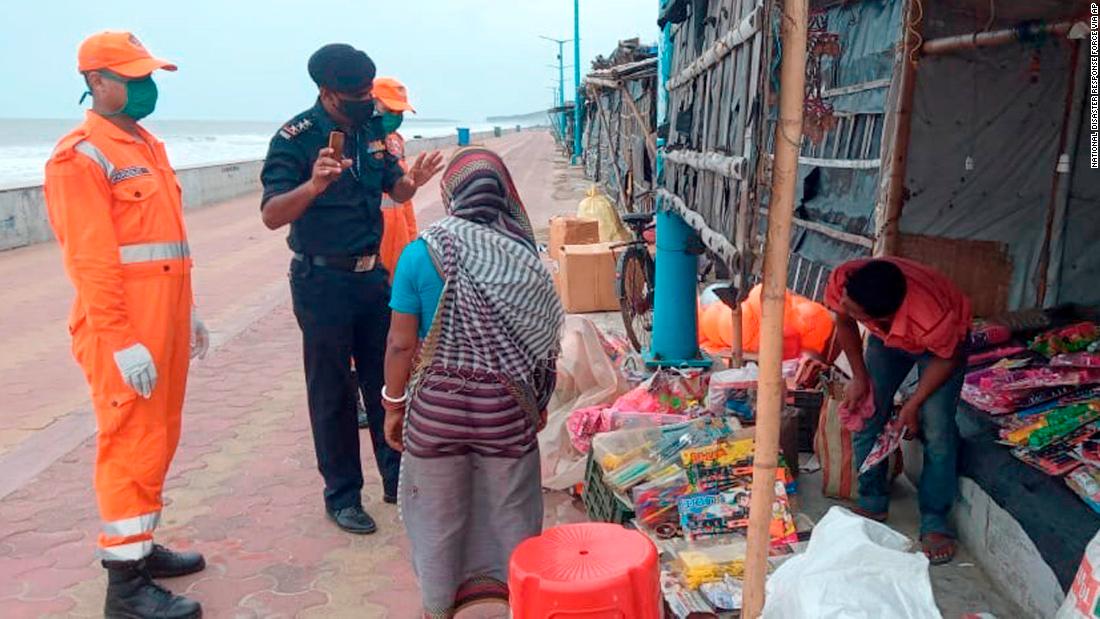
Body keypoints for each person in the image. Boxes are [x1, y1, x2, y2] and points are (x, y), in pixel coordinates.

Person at [44, 31, 208, 618]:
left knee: (158, 439)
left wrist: (189, 311)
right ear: (96, 82)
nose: (146, 87)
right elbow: (91, 261)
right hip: (125, 333)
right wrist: (120, 342)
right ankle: (125, 587)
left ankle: (139, 550)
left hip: (161, 322)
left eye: (148, 76)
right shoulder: (80, 155)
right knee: (130, 444)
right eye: (133, 77)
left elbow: (163, 245)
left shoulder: (145, 145)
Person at [259, 44, 443, 535]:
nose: (366, 102)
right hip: (321, 281)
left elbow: (394, 190)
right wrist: (313, 187)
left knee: (384, 381)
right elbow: (272, 214)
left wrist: (413, 182)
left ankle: (394, 478)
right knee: (332, 391)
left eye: (369, 92)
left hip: (371, 276)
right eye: (355, 95)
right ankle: (342, 495)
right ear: (326, 92)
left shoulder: (369, 133)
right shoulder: (295, 138)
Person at [381, 147, 564, 618]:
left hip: (435, 411)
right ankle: (517, 601)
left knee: (437, 519)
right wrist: (536, 404)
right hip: (505, 411)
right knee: (512, 516)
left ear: (449, 194)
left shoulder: (422, 252)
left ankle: (439, 607)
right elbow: (544, 347)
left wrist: (393, 404)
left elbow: (401, 345)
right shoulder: (524, 258)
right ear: (504, 195)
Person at [825, 257, 971, 565]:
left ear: (884, 316)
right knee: (868, 408)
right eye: (847, 303)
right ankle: (872, 499)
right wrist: (859, 376)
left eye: (856, 311)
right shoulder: (845, 280)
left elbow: (946, 359)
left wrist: (913, 403)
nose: (846, 308)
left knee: (937, 427)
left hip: (942, 350)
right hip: (887, 338)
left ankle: (934, 521)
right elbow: (844, 320)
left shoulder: (934, 318)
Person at [373, 76, 419, 278]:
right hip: (371, 236)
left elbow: (405, 201)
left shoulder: (396, 142)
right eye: (389, 110)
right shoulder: (356, 144)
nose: (395, 116)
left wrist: (411, 236)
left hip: (397, 232)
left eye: (399, 112)